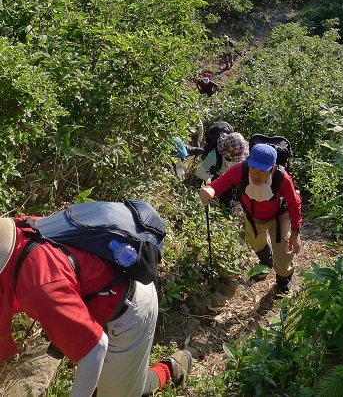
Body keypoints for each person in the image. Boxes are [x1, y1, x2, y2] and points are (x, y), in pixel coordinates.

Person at [0, 216, 192, 396]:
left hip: (130, 307)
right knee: (120, 385)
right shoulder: (17, 230)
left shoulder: (39, 286)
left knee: (119, 393)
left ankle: (172, 367)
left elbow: (96, 348)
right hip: (106, 292)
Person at [200, 143, 302, 293]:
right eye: (253, 167)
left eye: (262, 170)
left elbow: (295, 203)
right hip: (253, 217)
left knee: (284, 255)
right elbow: (223, 182)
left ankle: (283, 279)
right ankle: (266, 261)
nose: (256, 174)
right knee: (256, 242)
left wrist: (295, 232)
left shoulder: (282, 178)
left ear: (272, 168)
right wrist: (211, 190)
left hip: (279, 217)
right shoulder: (240, 170)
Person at [196, 131, 249, 209]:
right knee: (226, 204)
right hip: (220, 179)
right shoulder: (214, 156)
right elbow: (199, 171)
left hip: (236, 180)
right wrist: (214, 180)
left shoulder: (242, 154)